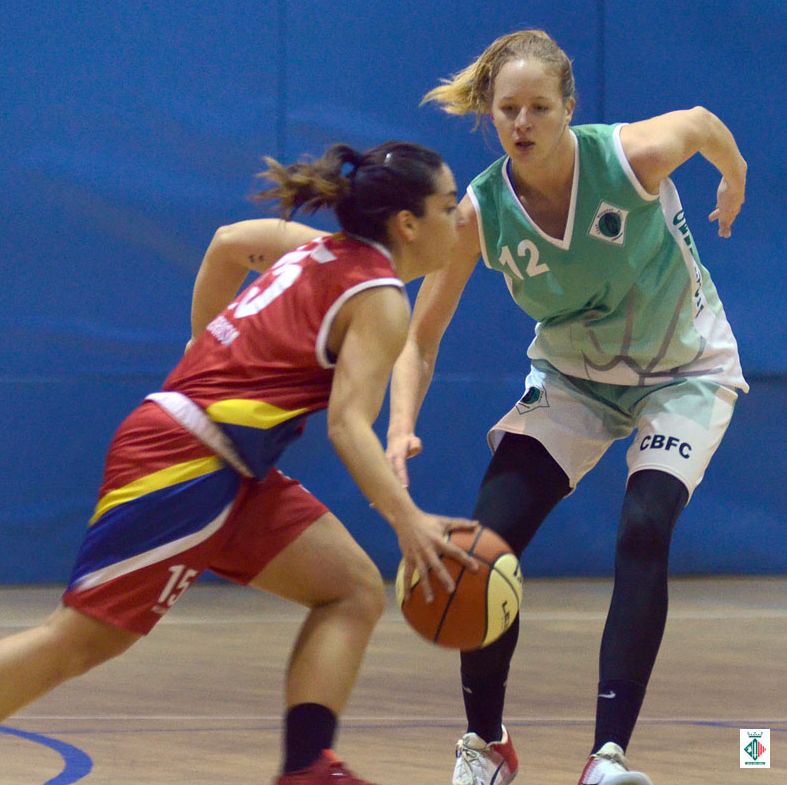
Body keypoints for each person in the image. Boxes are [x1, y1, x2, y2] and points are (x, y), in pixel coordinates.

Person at [0, 140, 479, 785]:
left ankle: (307, 767)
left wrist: (205, 346)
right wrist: (407, 520)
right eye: (449, 207)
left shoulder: (313, 247)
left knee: (351, 591)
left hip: (226, 463)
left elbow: (229, 242)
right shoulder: (380, 297)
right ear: (408, 223)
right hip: (184, 461)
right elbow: (345, 425)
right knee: (81, 640)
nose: (459, 220)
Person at [385, 29, 748, 785]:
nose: (522, 123)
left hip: (683, 367)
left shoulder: (630, 157)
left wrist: (732, 175)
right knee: (482, 546)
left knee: (644, 527)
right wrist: (398, 427)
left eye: (538, 107)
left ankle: (606, 759)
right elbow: (419, 340)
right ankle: (486, 745)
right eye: (508, 108)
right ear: (490, 112)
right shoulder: (477, 213)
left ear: (567, 108)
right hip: (575, 377)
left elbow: (705, 121)